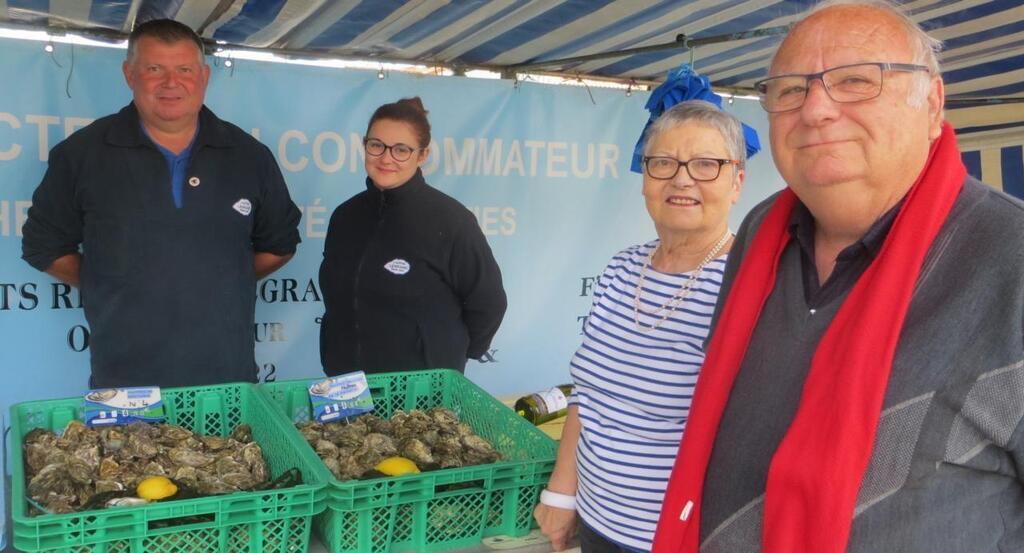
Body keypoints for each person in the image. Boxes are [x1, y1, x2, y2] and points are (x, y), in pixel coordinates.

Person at [652, 2, 1024, 553]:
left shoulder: (1010, 255)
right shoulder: (760, 231)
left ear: (933, 103)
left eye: (855, 81)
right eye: (790, 90)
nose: (817, 109)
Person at [21, 19, 300, 389]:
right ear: (129, 74)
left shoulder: (250, 157)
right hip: (123, 378)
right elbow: (43, 246)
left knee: (231, 449)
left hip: (227, 376)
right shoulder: (81, 155)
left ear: (202, 77)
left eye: (184, 70)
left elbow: (279, 245)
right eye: (155, 69)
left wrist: (221, 280)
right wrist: (109, 281)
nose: (171, 83)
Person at [536, 100, 746, 552]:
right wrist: (561, 491)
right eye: (663, 163)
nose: (682, 178)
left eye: (706, 164)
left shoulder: (745, 286)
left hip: (678, 537)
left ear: (737, 182)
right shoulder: (622, 267)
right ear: (645, 179)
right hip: (596, 522)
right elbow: (586, 394)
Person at [319, 97, 506, 375]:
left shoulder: (452, 221)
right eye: (376, 145)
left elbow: (488, 303)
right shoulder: (345, 216)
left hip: (420, 396)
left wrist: (447, 355)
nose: (386, 158)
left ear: (422, 155)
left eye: (401, 150)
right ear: (365, 145)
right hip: (347, 386)